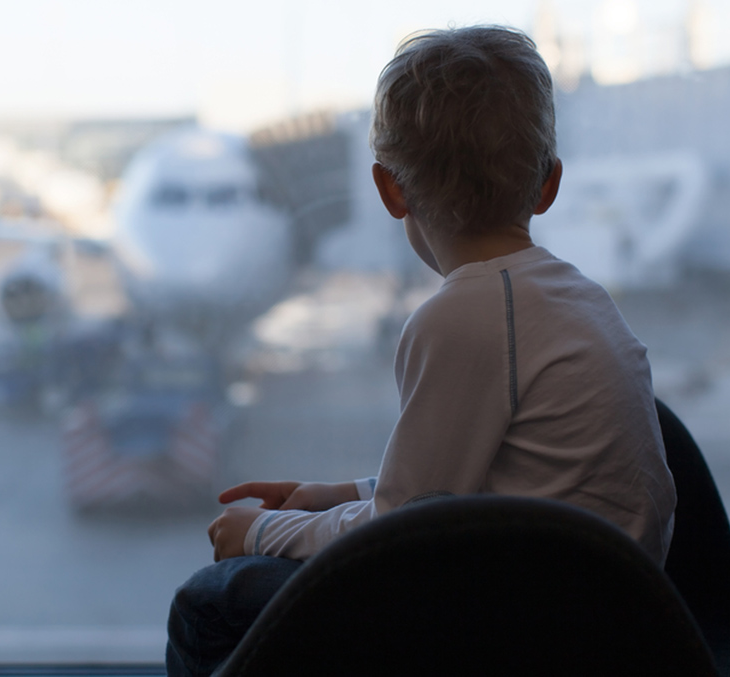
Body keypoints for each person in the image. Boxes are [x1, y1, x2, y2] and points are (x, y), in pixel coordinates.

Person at [166, 25, 677, 676]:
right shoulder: (577, 295)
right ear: (548, 184)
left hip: (532, 632)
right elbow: (476, 483)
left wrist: (259, 533)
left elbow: (399, 532)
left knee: (209, 600)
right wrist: (335, 494)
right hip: (619, 606)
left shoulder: (460, 317)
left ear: (390, 190)